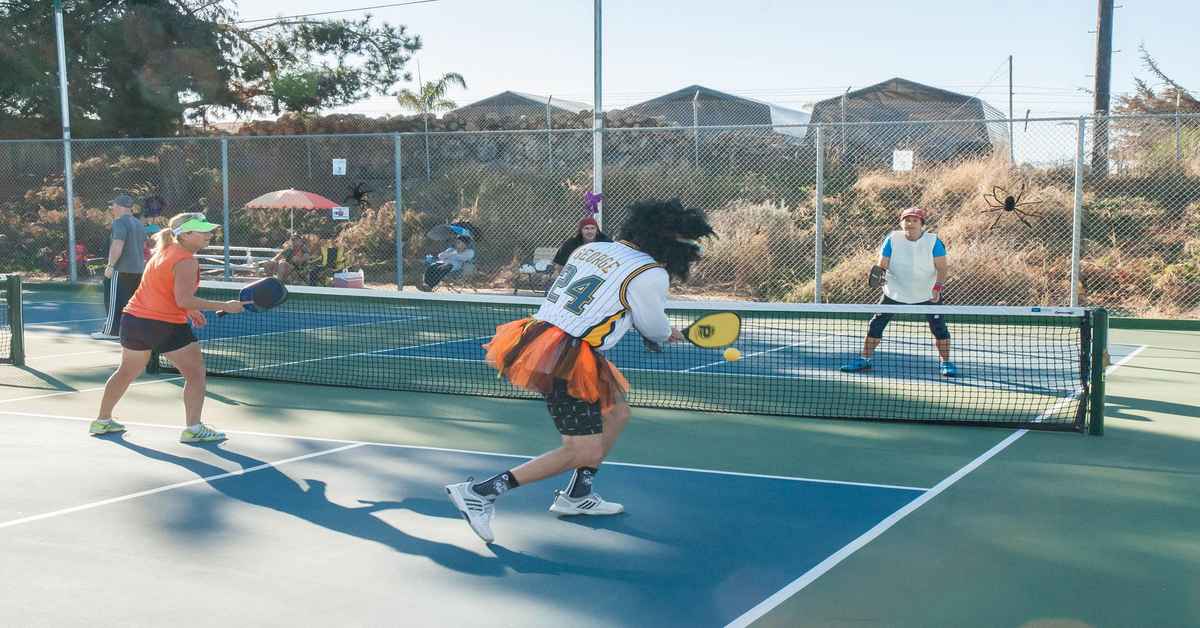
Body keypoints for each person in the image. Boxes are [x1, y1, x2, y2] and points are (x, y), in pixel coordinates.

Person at [445, 198, 715, 544]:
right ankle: (480, 492)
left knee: (616, 413)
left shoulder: (592, 250)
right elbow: (652, 325)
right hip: (568, 355)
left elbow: (611, 302)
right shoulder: (650, 273)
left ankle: (577, 496)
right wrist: (668, 333)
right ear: (669, 243)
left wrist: (656, 328)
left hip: (544, 338)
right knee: (580, 450)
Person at [89, 212, 246, 443]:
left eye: (209, 231)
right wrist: (225, 305)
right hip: (164, 325)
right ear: (186, 234)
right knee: (195, 374)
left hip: (134, 321)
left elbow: (161, 289)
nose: (209, 235)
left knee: (126, 371)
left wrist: (190, 310)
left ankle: (102, 420)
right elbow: (183, 300)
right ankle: (193, 428)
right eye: (203, 231)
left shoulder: (162, 252)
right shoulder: (186, 260)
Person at [840, 207, 957, 377]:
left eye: (915, 220)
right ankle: (864, 359)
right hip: (895, 291)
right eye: (907, 220)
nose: (910, 223)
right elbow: (882, 264)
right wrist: (880, 273)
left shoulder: (933, 242)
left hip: (927, 292)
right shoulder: (892, 239)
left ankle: (946, 363)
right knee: (876, 325)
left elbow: (942, 267)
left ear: (921, 224)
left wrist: (937, 287)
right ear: (901, 223)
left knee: (939, 328)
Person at [92, 194, 147, 340]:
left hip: (121, 269)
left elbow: (118, 244)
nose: (112, 208)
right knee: (131, 302)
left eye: (113, 206)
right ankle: (133, 331)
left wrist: (110, 265)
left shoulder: (119, 222)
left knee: (113, 301)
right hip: (138, 270)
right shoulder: (138, 223)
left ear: (119, 206)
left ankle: (112, 332)